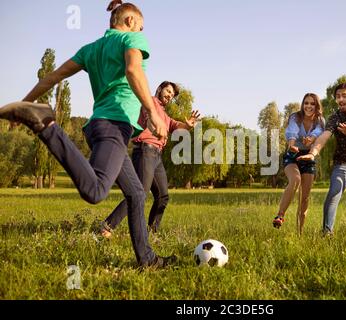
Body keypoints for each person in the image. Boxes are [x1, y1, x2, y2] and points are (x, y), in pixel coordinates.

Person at [0, 0, 174, 268]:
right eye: (140, 25)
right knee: (95, 191)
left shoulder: (91, 48)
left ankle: (147, 260)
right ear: (130, 22)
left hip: (100, 127)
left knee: (138, 194)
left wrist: (23, 105)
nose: (141, 31)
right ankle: (46, 127)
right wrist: (151, 111)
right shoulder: (133, 38)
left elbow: (52, 77)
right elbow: (132, 70)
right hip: (113, 128)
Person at [100, 81, 200, 238]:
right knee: (139, 193)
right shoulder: (151, 102)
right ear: (160, 89)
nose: (170, 95)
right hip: (145, 150)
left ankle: (152, 233)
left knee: (162, 196)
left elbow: (174, 125)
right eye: (168, 91)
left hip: (157, 155)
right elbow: (148, 117)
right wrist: (154, 129)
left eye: (172, 95)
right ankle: (107, 226)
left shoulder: (164, 114)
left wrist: (187, 125)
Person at [298, 83, 346, 236]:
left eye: (344, 96)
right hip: (343, 163)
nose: (340, 99)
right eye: (338, 97)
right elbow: (324, 137)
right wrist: (313, 153)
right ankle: (327, 232)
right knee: (333, 193)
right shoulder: (335, 117)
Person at [272, 93, 325, 234]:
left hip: (308, 156)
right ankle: (280, 216)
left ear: (316, 105)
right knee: (295, 179)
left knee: (305, 197)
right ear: (303, 104)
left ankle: (299, 232)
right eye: (306, 103)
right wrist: (292, 144)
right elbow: (292, 130)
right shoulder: (295, 117)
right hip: (293, 153)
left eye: (312, 103)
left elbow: (319, 131)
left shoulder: (320, 120)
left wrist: (312, 138)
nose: (308, 106)